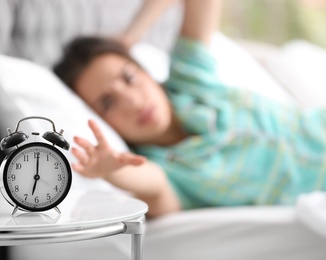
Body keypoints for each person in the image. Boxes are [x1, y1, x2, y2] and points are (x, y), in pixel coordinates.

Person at [54, 0, 326, 218]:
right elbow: (153, 185)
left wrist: (130, 36)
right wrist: (111, 170)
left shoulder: (189, 79)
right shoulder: (168, 171)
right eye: (108, 102)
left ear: (147, 73)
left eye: (129, 77)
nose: (134, 102)